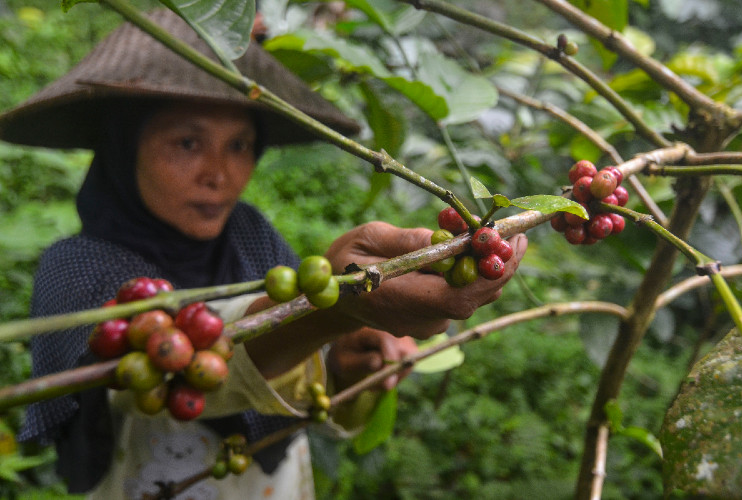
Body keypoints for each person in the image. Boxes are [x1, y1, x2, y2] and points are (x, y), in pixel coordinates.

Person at [0, 9, 527, 500]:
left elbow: (298, 369)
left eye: (239, 145)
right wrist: (331, 308)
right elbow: (156, 374)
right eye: (187, 143)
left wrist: (342, 358)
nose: (219, 173)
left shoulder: (250, 234)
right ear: (123, 146)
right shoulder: (77, 268)